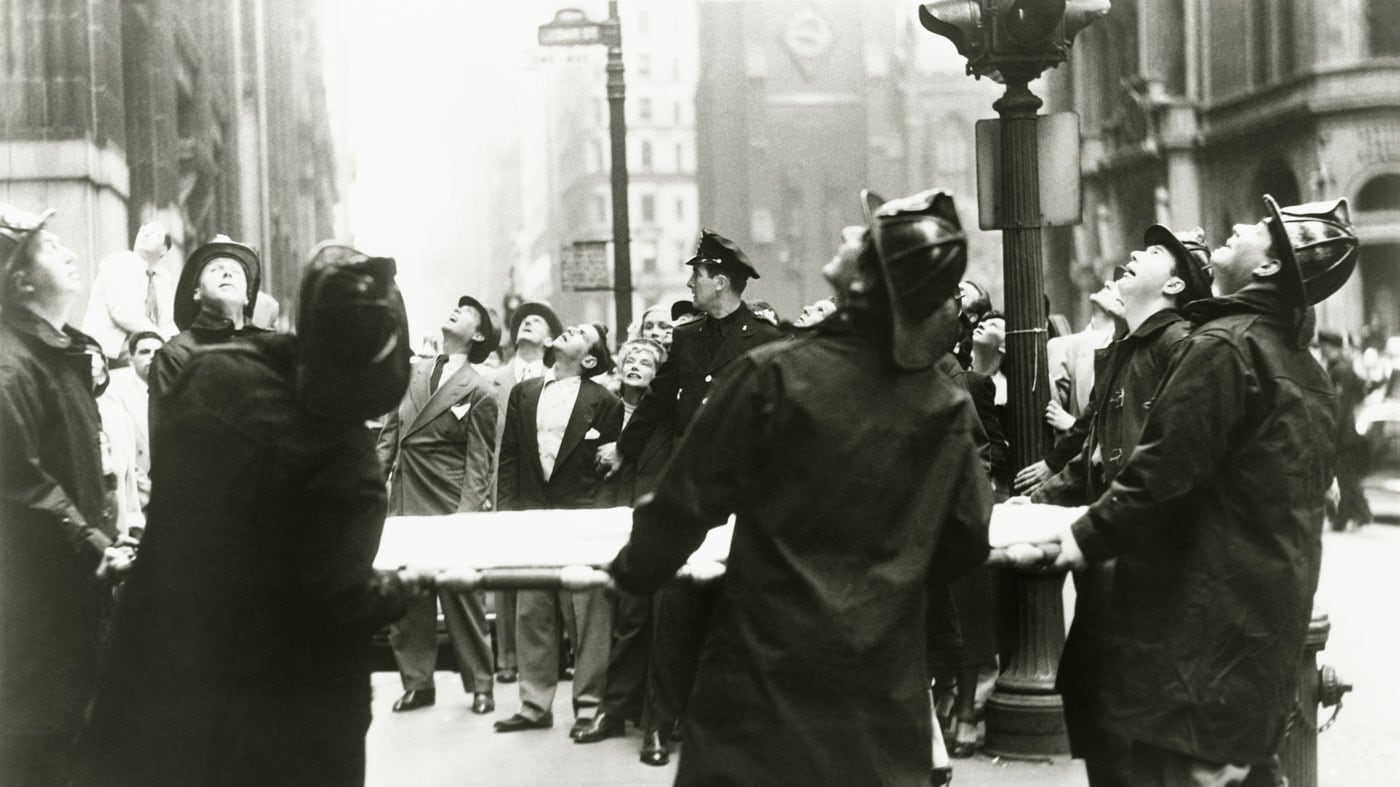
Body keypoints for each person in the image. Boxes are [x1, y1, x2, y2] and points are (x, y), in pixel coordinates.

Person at [608, 189, 992, 785]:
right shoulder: (943, 407)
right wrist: (883, 587)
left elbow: (684, 504)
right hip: (880, 698)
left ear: (867, 279)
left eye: (861, 236)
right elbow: (966, 539)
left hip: (762, 688)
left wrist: (632, 572)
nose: (846, 231)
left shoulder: (773, 376)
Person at [1012, 196, 1358, 784]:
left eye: (1261, 227)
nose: (1242, 222)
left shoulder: (1224, 346)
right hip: (1255, 648)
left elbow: (1161, 476)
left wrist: (1074, 542)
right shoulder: (1305, 368)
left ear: (1271, 268)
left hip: (1195, 656)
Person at [74, 242, 434, 786]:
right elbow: (330, 596)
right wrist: (398, 589)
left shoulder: (212, 373)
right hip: (291, 709)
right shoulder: (347, 469)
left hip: (181, 678)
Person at [1029, 224, 1213, 786]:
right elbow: (1094, 451)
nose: (1134, 253)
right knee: (1097, 718)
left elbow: (1171, 468)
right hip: (1110, 570)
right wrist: (1038, 498)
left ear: (1177, 282)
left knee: (1131, 742)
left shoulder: (1180, 346)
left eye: (1154, 252)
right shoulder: (1125, 350)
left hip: (1144, 580)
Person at [601, 229, 784, 766]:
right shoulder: (684, 339)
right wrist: (622, 450)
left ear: (719, 281)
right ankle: (659, 723)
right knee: (672, 603)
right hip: (689, 485)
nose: (689, 282)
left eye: (696, 275)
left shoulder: (766, 339)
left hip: (742, 488)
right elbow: (658, 405)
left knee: (736, 605)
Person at [0, 205, 133, 786]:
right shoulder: (12, 368)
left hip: (67, 608)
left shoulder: (55, 356)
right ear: (21, 280)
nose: (72, 253)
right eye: (52, 247)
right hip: (35, 626)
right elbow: (21, 487)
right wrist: (93, 545)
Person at [494, 322, 623, 737]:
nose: (570, 329)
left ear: (588, 359)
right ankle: (534, 705)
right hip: (532, 516)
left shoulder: (605, 402)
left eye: (582, 331)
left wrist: (595, 522)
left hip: (580, 520)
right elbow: (511, 458)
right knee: (532, 612)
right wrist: (508, 513)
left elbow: (605, 471)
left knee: (586, 615)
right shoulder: (524, 393)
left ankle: (588, 706)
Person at [378, 294, 502, 715]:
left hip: (449, 500)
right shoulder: (412, 373)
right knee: (409, 595)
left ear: (479, 333)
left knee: (460, 595)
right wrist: (375, 488)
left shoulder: (482, 390)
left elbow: (480, 459)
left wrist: (467, 515)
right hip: (405, 496)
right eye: (456, 306)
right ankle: (418, 682)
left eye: (468, 312)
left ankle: (481, 684)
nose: (456, 309)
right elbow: (389, 439)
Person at [574, 337, 669, 746]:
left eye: (646, 360)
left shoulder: (666, 415)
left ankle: (650, 717)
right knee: (617, 618)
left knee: (649, 618)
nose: (635, 364)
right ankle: (612, 709)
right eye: (630, 358)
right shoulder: (605, 407)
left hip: (653, 522)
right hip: (609, 518)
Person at [487, 300, 564, 685]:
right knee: (507, 572)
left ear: (550, 338)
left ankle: (552, 655)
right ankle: (507, 659)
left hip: (545, 484)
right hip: (503, 481)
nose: (528, 324)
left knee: (547, 571)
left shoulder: (560, 379)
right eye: (524, 321)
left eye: (538, 322)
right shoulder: (491, 379)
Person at [148, 235, 266, 434]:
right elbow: (167, 438)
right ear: (197, 293)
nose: (227, 273)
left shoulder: (267, 350)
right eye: (215, 269)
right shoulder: (175, 355)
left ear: (247, 297)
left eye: (236, 272)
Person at [81, 221, 177, 363]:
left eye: (156, 234)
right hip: (107, 348)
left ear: (164, 250)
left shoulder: (162, 278)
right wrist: (160, 338)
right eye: (144, 230)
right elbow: (123, 313)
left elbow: (167, 321)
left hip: (142, 345)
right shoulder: (118, 262)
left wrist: (177, 344)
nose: (147, 234)